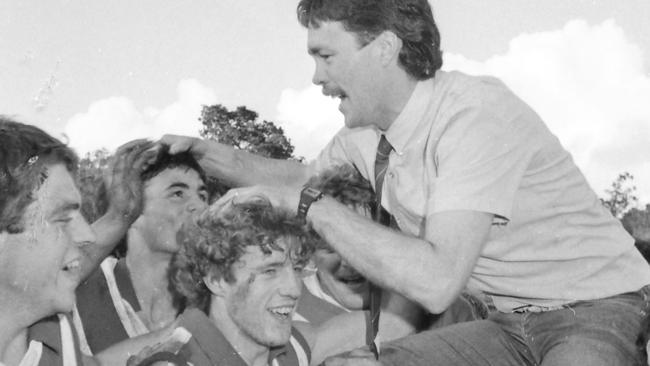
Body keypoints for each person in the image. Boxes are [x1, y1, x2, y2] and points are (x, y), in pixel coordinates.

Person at [158, 0, 650, 364]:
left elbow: (436, 284)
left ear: (384, 48)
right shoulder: (367, 133)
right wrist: (213, 156)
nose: (315, 76)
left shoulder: (474, 116)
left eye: (326, 56)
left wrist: (309, 204)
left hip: (593, 309)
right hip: (505, 322)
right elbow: (303, 177)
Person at [73, 144, 209, 355]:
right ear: (131, 205)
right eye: (178, 193)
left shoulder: (213, 295)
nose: (200, 207)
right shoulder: (83, 288)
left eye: (202, 195)